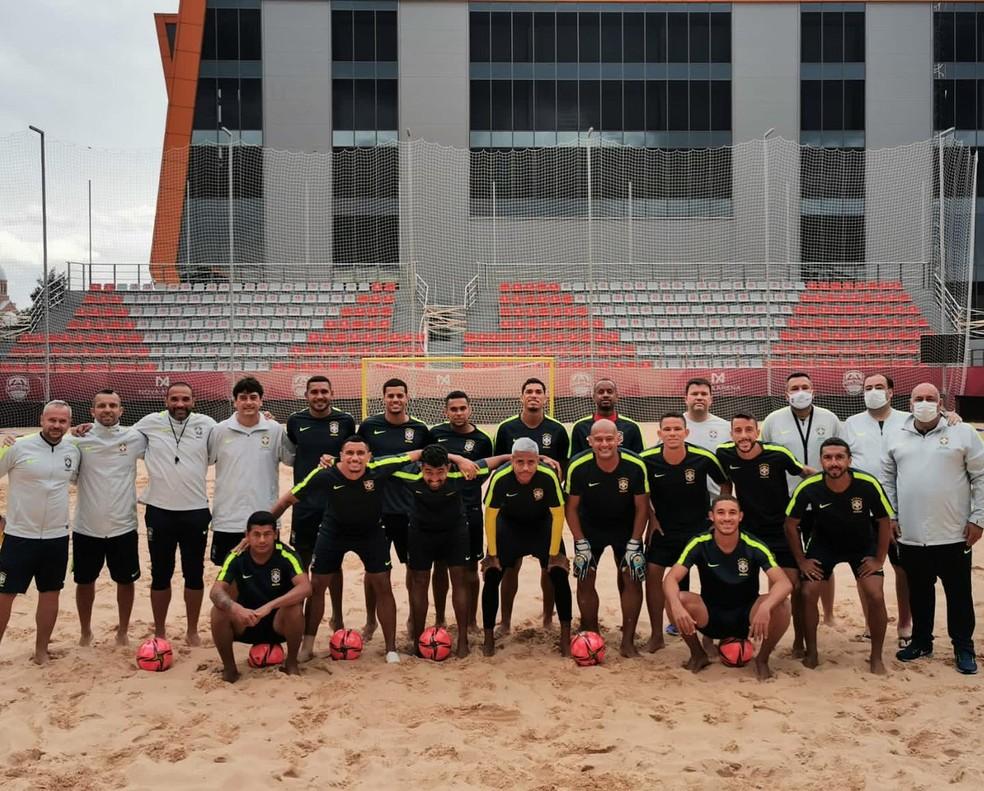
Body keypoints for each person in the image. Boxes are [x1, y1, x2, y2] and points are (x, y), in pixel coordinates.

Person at [270, 438, 429, 664]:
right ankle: (307, 645)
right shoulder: (324, 474)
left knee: (383, 584)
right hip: (333, 532)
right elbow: (287, 500)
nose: (355, 458)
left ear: (369, 456)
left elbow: (418, 453)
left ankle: (390, 648)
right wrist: (261, 527)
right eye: (350, 453)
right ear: (341, 456)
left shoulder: (379, 468)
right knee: (317, 586)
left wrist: (459, 459)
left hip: (371, 533)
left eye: (360, 453)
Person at [883, 382, 984, 675]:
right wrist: (892, 515)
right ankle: (922, 641)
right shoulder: (896, 434)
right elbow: (888, 480)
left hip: (954, 532)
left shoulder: (962, 432)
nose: (924, 402)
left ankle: (963, 647)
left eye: (930, 398)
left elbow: (980, 477)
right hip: (911, 534)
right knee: (919, 593)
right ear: (910, 402)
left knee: (959, 594)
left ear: (941, 403)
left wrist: (978, 518)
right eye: (918, 398)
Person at [784, 438, 893, 674]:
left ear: (849, 460)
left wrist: (879, 559)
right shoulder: (809, 487)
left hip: (862, 546)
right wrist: (802, 560)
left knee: (875, 594)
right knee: (807, 591)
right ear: (821, 461)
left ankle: (876, 657)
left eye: (839, 457)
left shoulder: (867, 483)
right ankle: (812, 652)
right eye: (828, 458)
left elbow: (885, 521)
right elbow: (790, 524)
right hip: (824, 545)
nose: (834, 463)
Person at [394, 444, 510, 658]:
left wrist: (529, 456)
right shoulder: (407, 473)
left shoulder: (462, 472)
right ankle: (418, 639)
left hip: (455, 533)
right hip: (421, 533)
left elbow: (497, 460)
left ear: (448, 468)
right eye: (429, 472)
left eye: (440, 472)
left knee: (459, 579)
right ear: (421, 467)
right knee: (419, 581)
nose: (435, 479)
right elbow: (382, 462)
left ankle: (463, 640)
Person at [716, 413, 814, 657]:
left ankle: (799, 642)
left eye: (748, 430)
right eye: (738, 431)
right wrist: (723, 513)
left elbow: (806, 473)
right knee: (738, 586)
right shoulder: (724, 454)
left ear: (757, 432)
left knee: (791, 587)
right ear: (731, 435)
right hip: (748, 533)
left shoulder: (777, 454)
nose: (743, 435)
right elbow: (726, 485)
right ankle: (738, 635)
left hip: (780, 532)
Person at [664, 495, 792, 680]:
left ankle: (762, 659)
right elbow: (670, 579)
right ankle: (698, 654)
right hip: (710, 616)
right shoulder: (699, 543)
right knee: (677, 598)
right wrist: (675, 605)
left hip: (748, 620)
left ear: (740, 517)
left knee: (782, 605)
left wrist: (765, 607)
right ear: (711, 516)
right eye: (721, 513)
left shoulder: (753, 545)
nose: (726, 518)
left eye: (732, 513)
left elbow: (784, 583)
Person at [131, 382, 216, 645]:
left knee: (194, 573)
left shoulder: (208, 424)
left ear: (194, 401)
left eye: (185, 399)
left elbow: (219, 449)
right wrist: (82, 429)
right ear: (166, 400)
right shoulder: (149, 422)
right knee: (160, 573)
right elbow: (119, 436)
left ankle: (192, 631)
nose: (180, 404)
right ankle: (159, 631)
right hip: (159, 511)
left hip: (196, 511)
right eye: (174, 399)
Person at [0, 401, 80, 664]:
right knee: (4, 594)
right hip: (19, 535)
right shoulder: (17, 446)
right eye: (52, 420)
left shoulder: (73, 448)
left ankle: (41, 650)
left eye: (62, 421)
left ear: (69, 423)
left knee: (50, 592)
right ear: (41, 419)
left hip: (56, 536)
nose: (56, 426)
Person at [641, 412, 730, 651]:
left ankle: (709, 636)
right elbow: (641, 493)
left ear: (686, 432)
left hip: (699, 530)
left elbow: (725, 482)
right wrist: (651, 517)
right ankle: (656, 635)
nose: (672, 433)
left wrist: (717, 516)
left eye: (677, 429)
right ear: (659, 434)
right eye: (667, 430)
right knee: (652, 574)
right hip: (664, 530)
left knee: (710, 578)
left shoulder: (702, 457)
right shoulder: (647, 459)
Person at [761, 371, 843, 627]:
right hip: (786, 502)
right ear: (786, 394)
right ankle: (779, 609)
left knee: (824, 560)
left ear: (813, 390)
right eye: (794, 388)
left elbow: (843, 453)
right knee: (781, 560)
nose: (800, 392)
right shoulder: (773, 420)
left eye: (804, 387)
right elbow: (764, 457)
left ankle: (828, 614)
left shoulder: (829, 419)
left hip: (825, 501)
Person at [566, 419, 650, 657]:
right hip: (590, 527)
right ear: (590, 441)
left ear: (619, 439)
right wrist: (581, 543)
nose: (604, 444)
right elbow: (571, 508)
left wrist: (635, 543)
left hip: (625, 527)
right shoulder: (578, 465)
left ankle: (628, 641)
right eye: (599, 439)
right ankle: (591, 633)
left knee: (632, 575)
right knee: (585, 574)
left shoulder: (635, 464)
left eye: (609, 438)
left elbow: (642, 507)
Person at [481, 437, 571, 657]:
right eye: (520, 462)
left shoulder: (547, 476)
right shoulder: (501, 477)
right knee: (492, 575)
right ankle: (489, 637)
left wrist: (553, 555)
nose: (525, 468)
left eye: (531, 462)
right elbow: (490, 516)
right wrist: (492, 554)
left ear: (537, 461)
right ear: (512, 460)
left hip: (541, 526)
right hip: (509, 526)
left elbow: (558, 514)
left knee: (559, 573)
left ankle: (565, 637)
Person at [357, 378, 432, 637]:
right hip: (375, 510)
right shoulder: (369, 427)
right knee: (374, 571)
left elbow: (432, 461)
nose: (395, 400)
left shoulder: (420, 429)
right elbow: (355, 457)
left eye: (400, 395)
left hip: (410, 511)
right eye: (391, 396)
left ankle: (413, 619)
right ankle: (370, 621)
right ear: (384, 398)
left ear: (407, 397)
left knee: (415, 569)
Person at [494, 377, 569, 632]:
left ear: (546, 398)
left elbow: (562, 471)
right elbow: (500, 467)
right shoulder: (506, 429)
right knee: (509, 567)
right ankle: (505, 621)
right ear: (521, 397)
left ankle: (548, 618)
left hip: (544, 512)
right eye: (529, 392)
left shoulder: (557, 430)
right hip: (512, 510)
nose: (534, 395)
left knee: (550, 566)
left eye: (539, 392)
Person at [72, 389, 146, 647]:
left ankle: (123, 631)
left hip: (123, 525)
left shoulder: (135, 437)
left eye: (113, 405)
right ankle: (85, 632)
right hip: (86, 526)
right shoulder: (77, 440)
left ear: (121, 410)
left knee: (125, 581)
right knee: (84, 582)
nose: (107, 410)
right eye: (101, 405)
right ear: (92, 411)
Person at [285, 375, 356, 635]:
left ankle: (337, 617)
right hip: (304, 506)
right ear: (306, 396)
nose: (319, 396)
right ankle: (299, 617)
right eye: (314, 392)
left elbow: (353, 454)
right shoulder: (295, 421)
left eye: (324, 391)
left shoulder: (345, 421)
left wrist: (335, 457)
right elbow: (291, 451)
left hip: (335, 504)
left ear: (332, 393)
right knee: (301, 562)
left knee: (332, 563)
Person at [210, 511, 311, 682]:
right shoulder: (236, 556)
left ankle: (291, 664)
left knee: (294, 608)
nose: (262, 540)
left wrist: (270, 606)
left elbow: (306, 587)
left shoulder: (286, 554)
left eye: (267, 534)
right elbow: (215, 591)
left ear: (276, 535)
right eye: (256, 534)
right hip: (246, 621)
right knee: (218, 610)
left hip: (278, 624)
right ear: (247, 535)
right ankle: (230, 670)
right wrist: (237, 609)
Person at [208, 377, 294, 566]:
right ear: (235, 401)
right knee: (228, 575)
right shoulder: (219, 430)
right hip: (228, 519)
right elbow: (204, 461)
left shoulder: (274, 430)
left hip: (265, 517)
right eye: (243, 397)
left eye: (253, 397)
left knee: (265, 575)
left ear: (261, 401)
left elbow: (292, 459)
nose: (248, 402)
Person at [429, 391, 495, 631]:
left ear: (470, 409)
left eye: (462, 408)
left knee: (470, 568)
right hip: (438, 511)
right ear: (445, 411)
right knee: (440, 566)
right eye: (453, 409)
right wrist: (457, 461)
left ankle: (471, 620)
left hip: (470, 511)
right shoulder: (435, 434)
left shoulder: (482, 440)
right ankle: (439, 618)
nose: (458, 413)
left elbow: (483, 474)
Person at [569, 378, 644, 455]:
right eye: (601, 392)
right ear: (594, 397)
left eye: (610, 392)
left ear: (617, 397)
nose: (605, 395)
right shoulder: (580, 427)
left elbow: (638, 458)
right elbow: (574, 459)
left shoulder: (631, 427)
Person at [682, 377, 731, 454]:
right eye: (694, 394)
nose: (699, 397)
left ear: (711, 400)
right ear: (686, 399)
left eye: (704, 394)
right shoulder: (674, 426)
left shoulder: (726, 427)